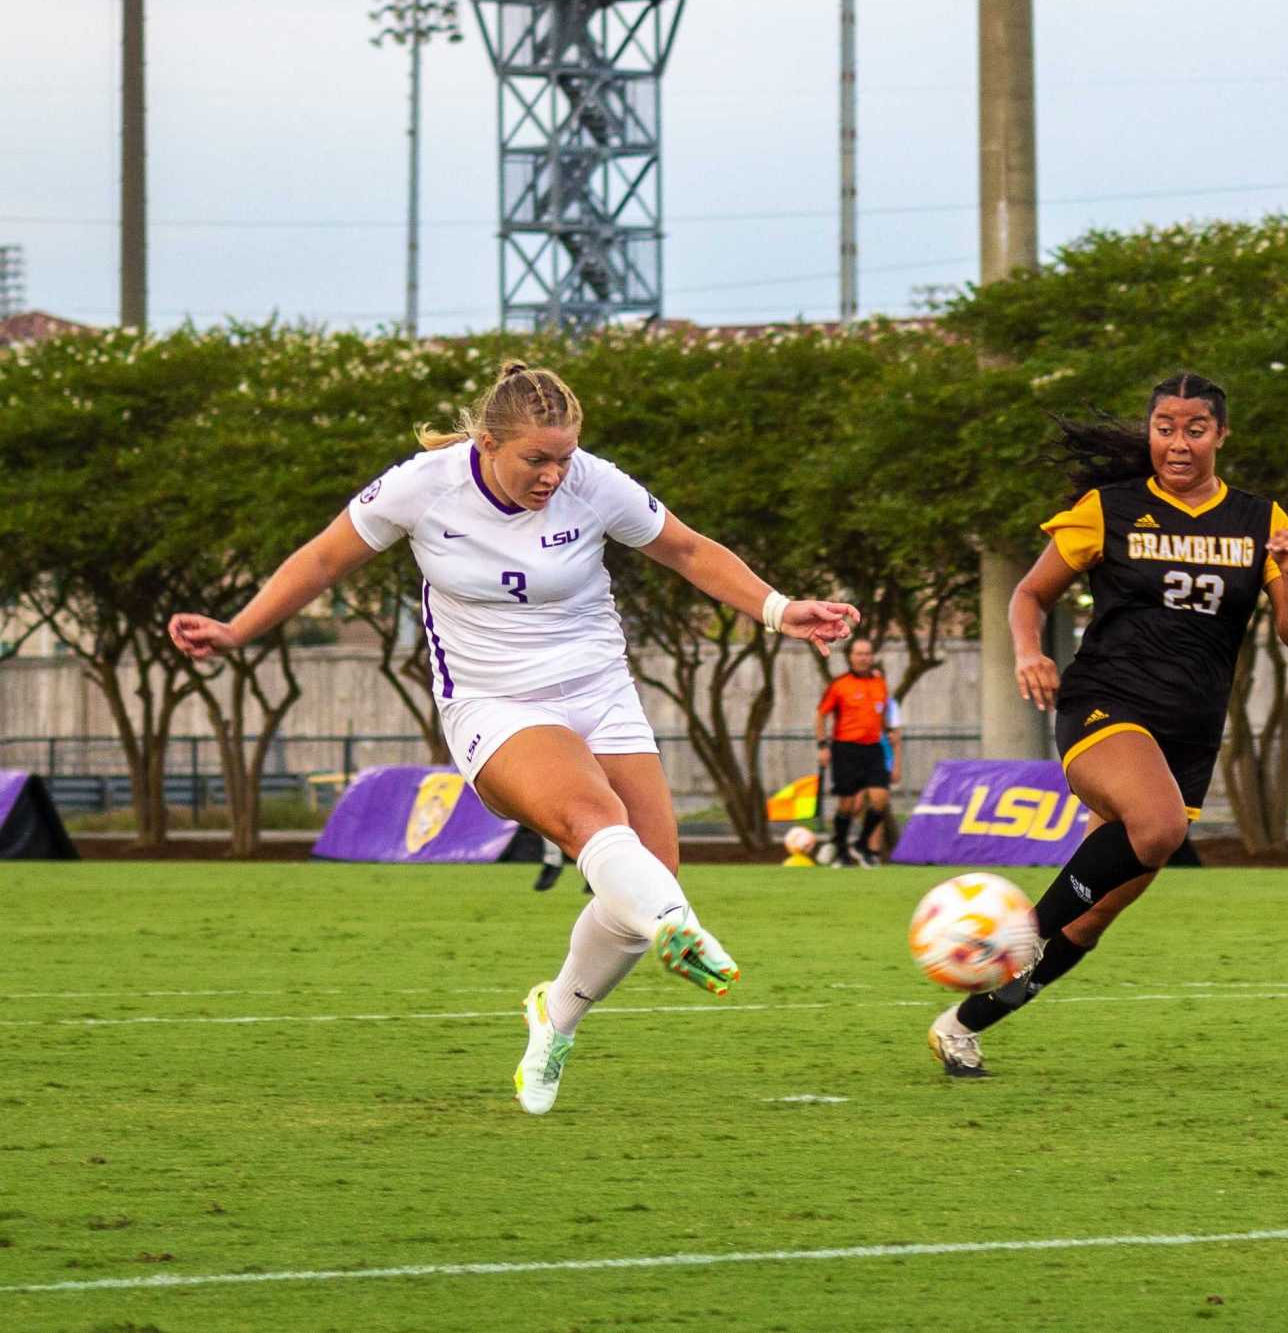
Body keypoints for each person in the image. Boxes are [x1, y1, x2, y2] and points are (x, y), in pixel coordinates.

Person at [165, 361, 854, 1116]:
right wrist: (237, 629)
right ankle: (678, 927)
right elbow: (326, 557)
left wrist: (779, 609)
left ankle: (556, 1013)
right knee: (599, 824)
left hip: (599, 690)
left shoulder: (594, 482)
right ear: (487, 441)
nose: (554, 474)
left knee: (642, 877)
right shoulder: (422, 485)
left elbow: (687, 550)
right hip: (494, 702)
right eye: (537, 458)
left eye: (564, 456)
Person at [924, 371, 1288, 1077]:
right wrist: (1028, 652)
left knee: (1093, 918)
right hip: (1106, 706)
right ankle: (1017, 933)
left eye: (1195, 427)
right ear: (1150, 433)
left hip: (1189, 735)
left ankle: (963, 1023)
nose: (1178, 441)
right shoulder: (1109, 509)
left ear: (1221, 435)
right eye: (1165, 426)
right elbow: (1029, 593)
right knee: (1161, 826)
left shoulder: (1259, 520)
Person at [814, 638, 903, 867]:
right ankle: (841, 848)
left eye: (867, 653)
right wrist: (822, 745)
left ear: (872, 656)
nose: (863, 657)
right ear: (850, 657)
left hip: (873, 748)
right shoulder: (840, 685)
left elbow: (880, 715)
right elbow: (821, 715)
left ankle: (861, 845)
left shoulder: (879, 683)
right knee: (847, 804)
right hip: (846, 749)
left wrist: (889, 731)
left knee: (880, 799)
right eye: (859, 654)